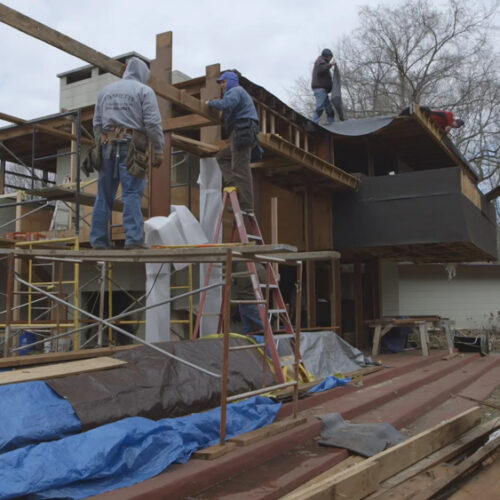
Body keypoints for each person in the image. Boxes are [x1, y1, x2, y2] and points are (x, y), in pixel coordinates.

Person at [90, 57, 165, 250]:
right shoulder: (144, 91)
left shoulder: (105, 91)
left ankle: (98, 241)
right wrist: (158, 149)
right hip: (132, 147)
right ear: (142, 73)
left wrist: (100, 143)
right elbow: (152, 123)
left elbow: (97, 123)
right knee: (131, 193)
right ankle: (133, 240)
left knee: (104, 195)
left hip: (107, 146)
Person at [207, 71, 259, 214]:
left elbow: (228, 103)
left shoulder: (235, 91)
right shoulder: (237, 92)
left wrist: (211, 103)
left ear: (230, 81)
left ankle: (246, 205)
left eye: (223, 82)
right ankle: (234, 186)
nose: (222, 85)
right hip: (242, 133)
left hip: (242, 132)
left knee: (240, 167)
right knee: (222, 157)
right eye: (221, 83)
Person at [233, 261, 267, 334]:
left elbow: (235, 281)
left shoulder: (239, 265)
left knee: (247, 328)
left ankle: (245, 344)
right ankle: (265, 345)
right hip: (254, 301)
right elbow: (266, 285)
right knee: (265, 329)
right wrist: (276, 279)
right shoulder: (259, 267)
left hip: (242, 302)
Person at [311, 48, 336, 125]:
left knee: (329, 108)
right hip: (320, 89)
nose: (330, 59)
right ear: (326, 56)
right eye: (330, 57)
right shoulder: (320, 61)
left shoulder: (323, 62)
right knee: (320, 106)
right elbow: (321, 70)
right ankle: (314, 123)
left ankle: (332, 123)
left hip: (323, 90)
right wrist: (331, 64)